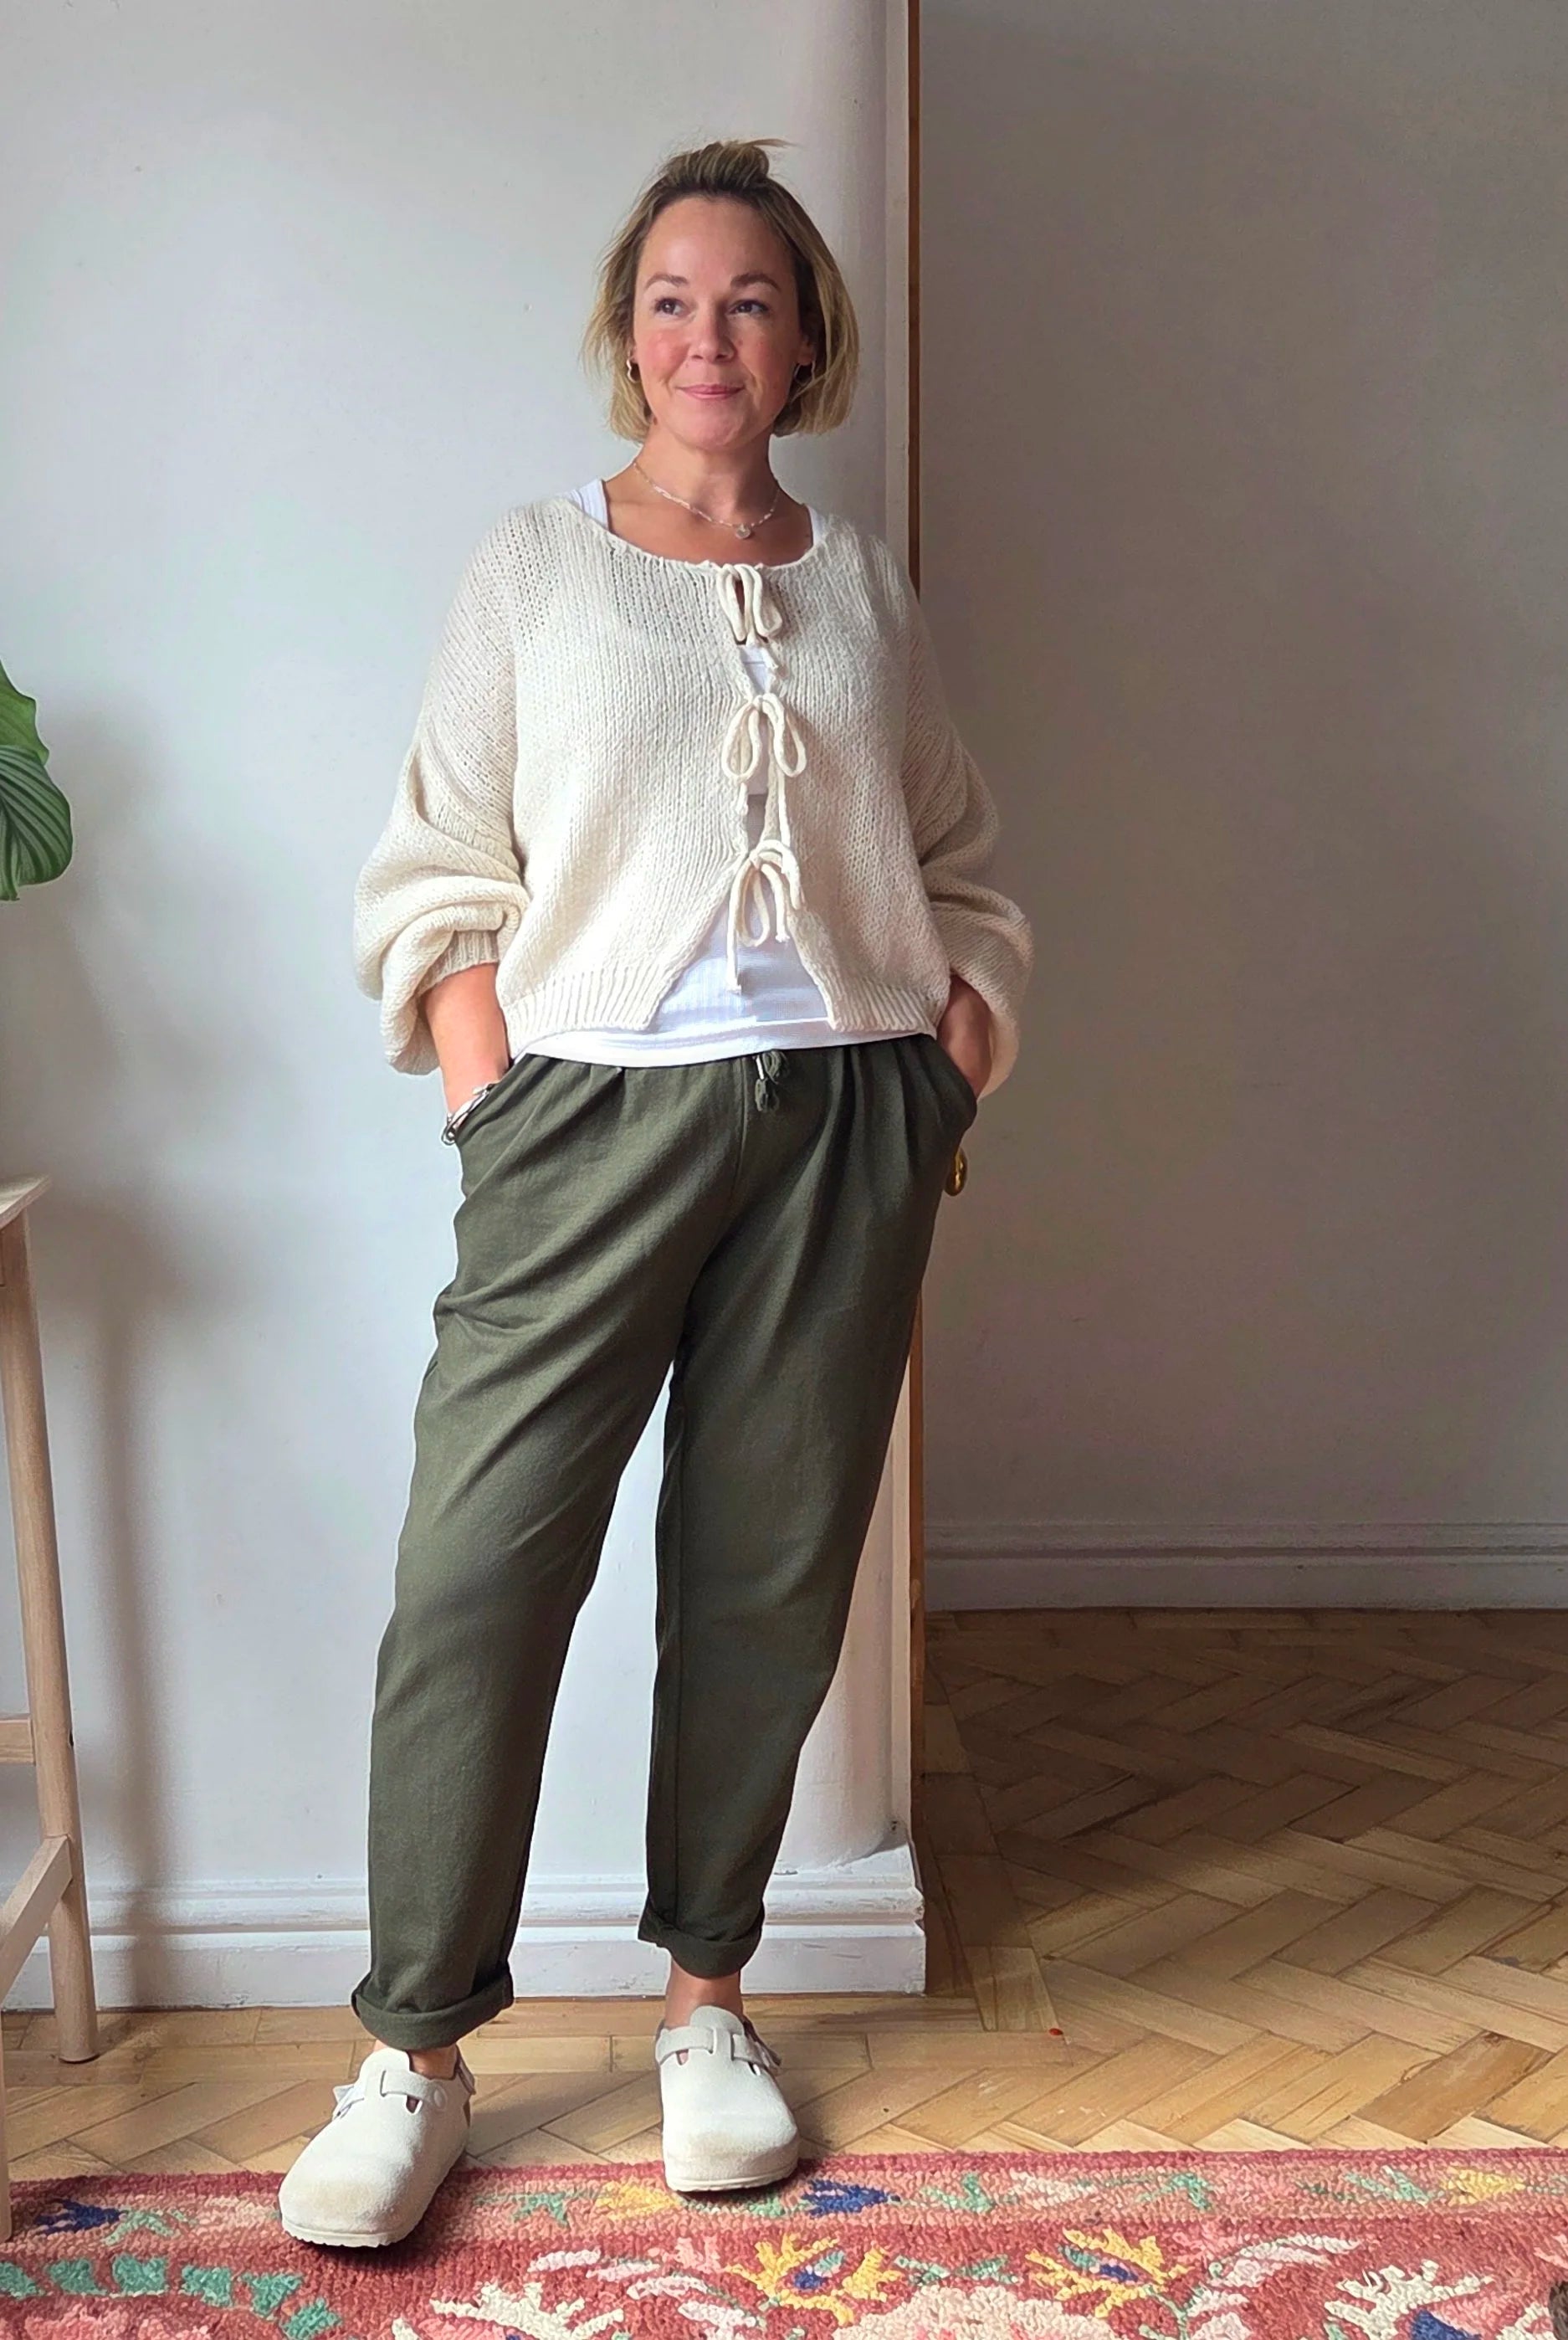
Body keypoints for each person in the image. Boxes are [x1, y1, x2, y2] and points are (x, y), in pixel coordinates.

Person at [279, 134, 1033, 2251]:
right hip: (582, 1124)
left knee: (763, 1578)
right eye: (675, 298)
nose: (711, 334)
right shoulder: (535, 566)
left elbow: (955, 855)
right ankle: (415, 2051)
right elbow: (440, 857)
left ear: (804, 343)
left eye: (752, 299)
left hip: (845, 1122)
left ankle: (708, 2006)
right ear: (631, 334)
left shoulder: (860, 585)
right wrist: (486, 1090)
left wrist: (953, 1048)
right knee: (477, 1575)